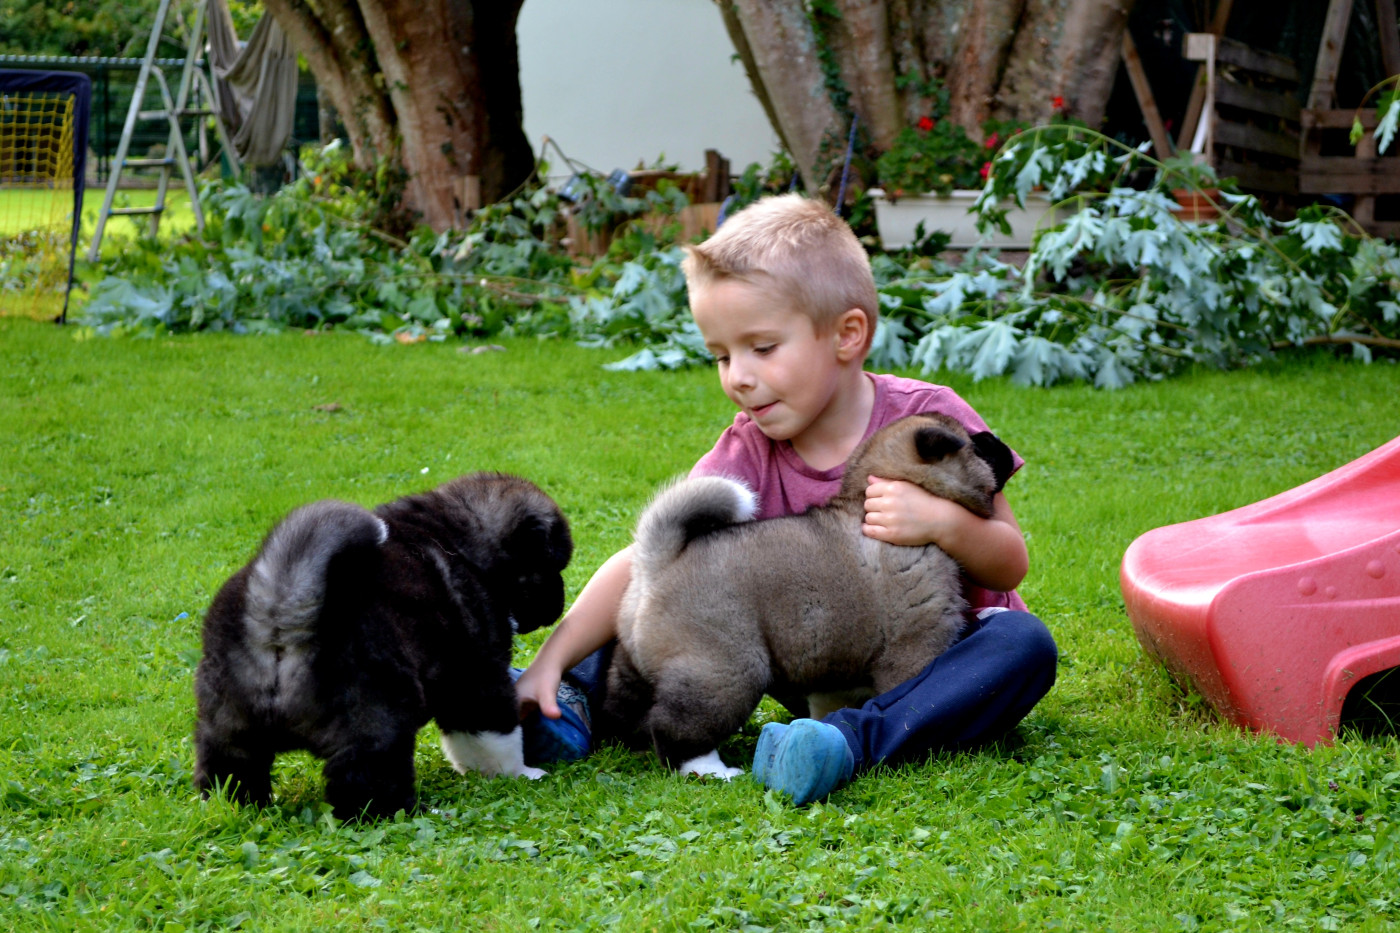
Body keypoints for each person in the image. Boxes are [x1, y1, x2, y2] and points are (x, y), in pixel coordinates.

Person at [514, 193, 1057, 805]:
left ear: (847, 335)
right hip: (794, 657)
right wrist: (550, 657)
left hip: (932, 664)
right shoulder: (749, 447)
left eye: (762, 348)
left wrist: (943, 523)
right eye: (721, 355)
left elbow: (1011, 561)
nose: (737, 376)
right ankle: (567, 703)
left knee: (1023, 646)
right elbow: (650, 562)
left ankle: (845, 744)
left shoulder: (927, 418)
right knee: (669, 593)